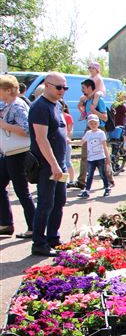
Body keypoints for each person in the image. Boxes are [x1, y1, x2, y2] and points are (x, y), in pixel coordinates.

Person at [28, 72, 70, 257]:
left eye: (64, 87)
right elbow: (41, 139)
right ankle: (39, 243)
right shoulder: (40, 107)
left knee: (59, 201)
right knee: (45, 203)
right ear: (47, 85)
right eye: (58, 87)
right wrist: (53, 164)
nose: (62, 91)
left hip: (59, 163)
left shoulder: (57, 105)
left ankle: (53, 238)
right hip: (46, 165)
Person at [0, 74, 35, 238]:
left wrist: (3, 124)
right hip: (9, 153)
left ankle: (33, 226)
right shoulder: (9, 105)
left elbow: (27, 130)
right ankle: (6, 223)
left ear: (8, 90)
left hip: (18, 154)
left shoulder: (17, 105)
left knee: (21, 190)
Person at [76, 78, 113, 189]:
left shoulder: (99, 101)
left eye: (83, 88)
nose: (82, 90)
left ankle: (109, 179)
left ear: (89, 88)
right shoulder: (87, 101)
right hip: (88, 129)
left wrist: (94, 110)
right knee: (84, 155)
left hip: (99, 128)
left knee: (101, 155)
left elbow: (105, 118)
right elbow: (86, 115)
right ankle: (81, 181)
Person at [79, 115, 111, 199]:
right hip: (91, 158)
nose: (93, 125)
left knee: (102, 174)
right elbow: (81, 142)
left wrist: (107, 158)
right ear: (88, 124)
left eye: (95, 123)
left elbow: (105, 146)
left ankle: (107, 188)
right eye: (91, 123)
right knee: (89, 175)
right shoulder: (88, 133)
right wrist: (69, 142)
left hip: (100, 157)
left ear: (98, 123)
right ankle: (87, 191)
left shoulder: (101, 133)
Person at [62, 103, 76, 186]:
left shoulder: (67, 116)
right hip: (58, 143)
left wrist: (67, 139)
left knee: (67, 162)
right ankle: (62, 181)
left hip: (66, 142)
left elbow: (70, 130)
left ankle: (71, 180)